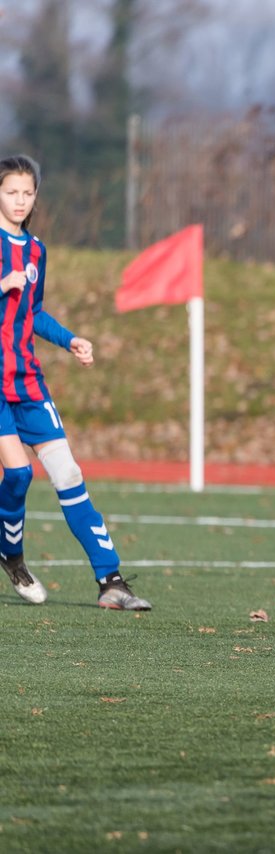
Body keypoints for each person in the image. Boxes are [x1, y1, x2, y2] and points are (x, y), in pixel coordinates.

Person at [0, 154, 150, 610]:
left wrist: (70, 340)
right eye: (12, 192)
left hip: (27, 380)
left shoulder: (36, 251)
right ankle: (12, 553)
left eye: (28, 193)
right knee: (19, 474)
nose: (21, 200)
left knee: (69, 473)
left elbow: (34, 312)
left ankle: (112, 581)